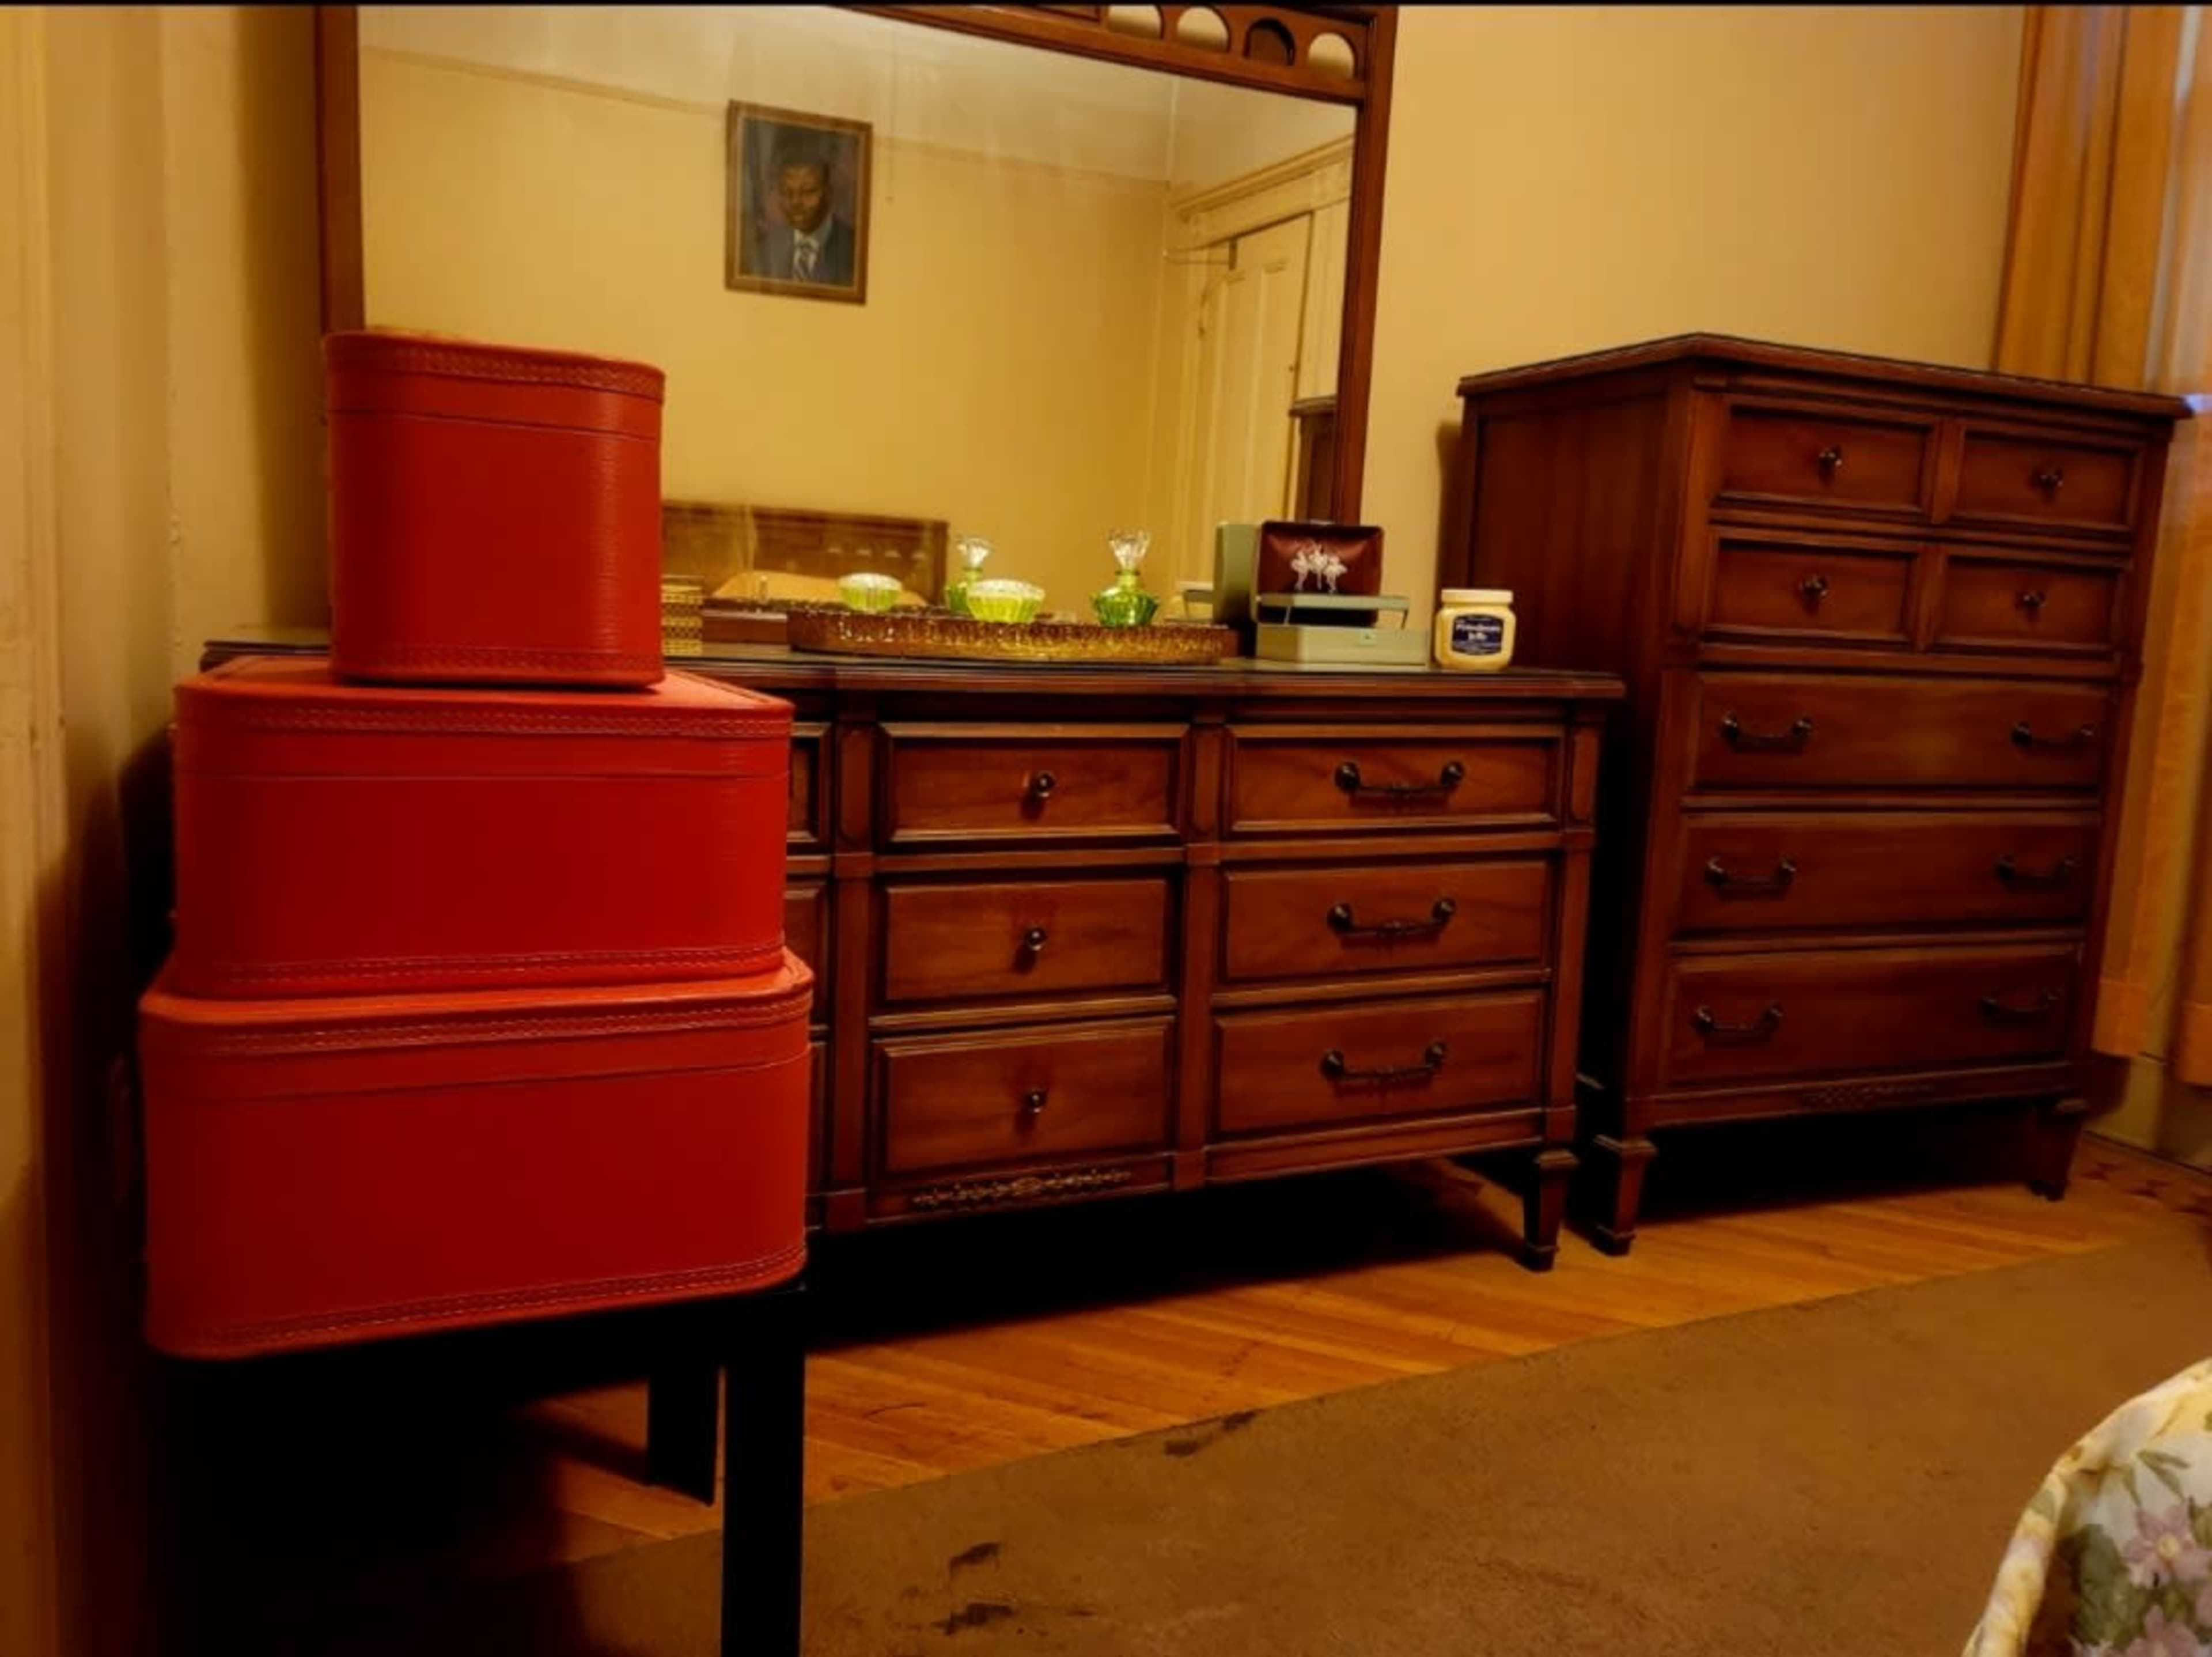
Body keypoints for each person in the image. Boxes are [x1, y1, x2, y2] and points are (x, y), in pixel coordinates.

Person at [751, 141, 855, 287]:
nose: (795, 202)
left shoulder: (854, 249)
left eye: (808, 191)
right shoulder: (765, 249)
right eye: (787, 192)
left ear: (829, 193)